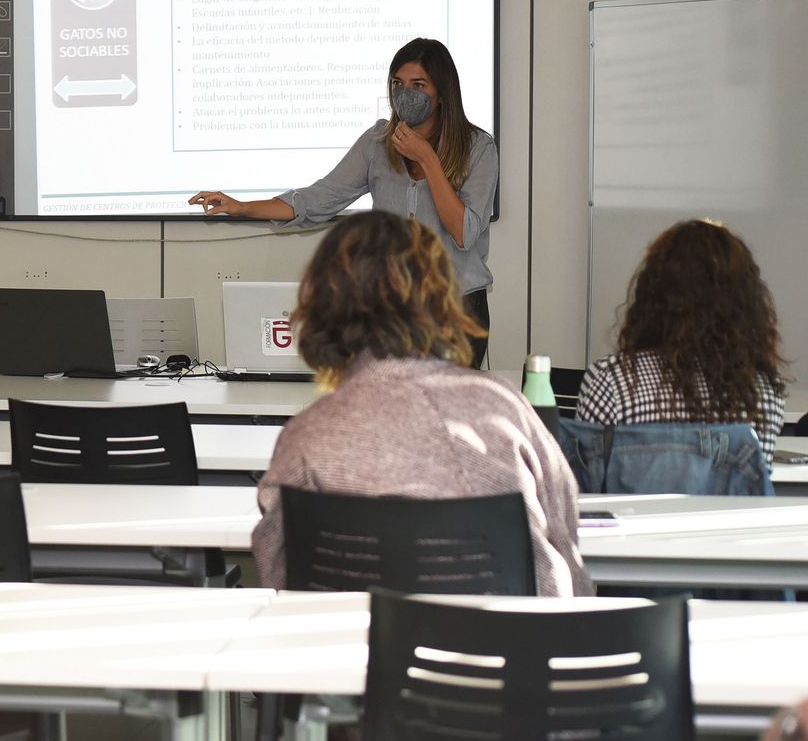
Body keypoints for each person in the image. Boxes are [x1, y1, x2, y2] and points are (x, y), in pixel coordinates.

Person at [250, 210, 587, 597]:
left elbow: (280, 578)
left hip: (357, 650)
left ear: (322, 303)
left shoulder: (307, 437)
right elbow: (567, 551)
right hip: (508, 648)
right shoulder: (506, 408)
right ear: (442, 298)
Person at [190, 37, 498, 367]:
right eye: (398, 84)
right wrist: (241, 207)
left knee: (445, 416)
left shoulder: (478, 148)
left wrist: (428, 160)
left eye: (418, 84)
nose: (405, 93)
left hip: (456, 310)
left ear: (441, 94)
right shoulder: (377, 143)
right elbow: (319, 198)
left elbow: (464, 233)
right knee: (388, 415)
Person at [578, 218, 789, 458]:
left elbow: (585, 484)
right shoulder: (762, 393)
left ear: (652, 295)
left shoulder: (611, 382)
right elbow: (754, 490)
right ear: (745, 305)